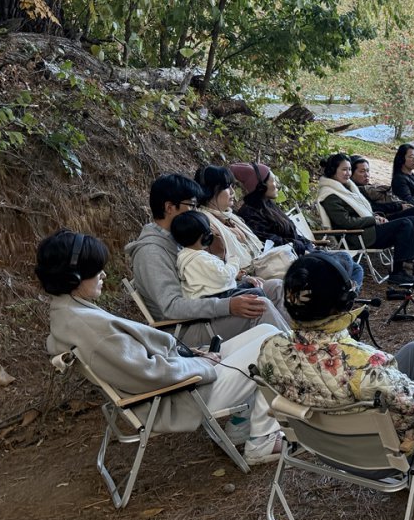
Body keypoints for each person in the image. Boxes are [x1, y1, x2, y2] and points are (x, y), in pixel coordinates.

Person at [38, 230, 283, 465]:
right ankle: (262, 440)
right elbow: (149, 374)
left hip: (181, 380)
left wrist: (193, 355)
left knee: (267, 332)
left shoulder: (70, 313)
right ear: (74, 277)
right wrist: (200, 363)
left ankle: (241, 426)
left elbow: (139, 363)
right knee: (270, 345)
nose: (102, 275)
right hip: (183, 395)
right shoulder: (89, 327)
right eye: (95, 270)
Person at [258, 254, 414, 481]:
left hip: (323, 447)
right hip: (381, 459)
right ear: (345, 302)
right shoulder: (366, 365)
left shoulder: (270, 347)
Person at [126, 174, 291, 346]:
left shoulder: (179, 238)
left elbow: (204, 276)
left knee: (275, 287)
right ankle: (297, 359)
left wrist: (239, 279)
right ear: (169, 207)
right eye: (191, 205)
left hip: (206, 313)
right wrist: (227, 306)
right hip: (184, 330)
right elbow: (171, 308)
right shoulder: (151, 252)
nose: (196, 211)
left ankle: (298, 346)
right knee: (259, 307)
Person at [229, 161, 364, 293]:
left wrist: (309, 246)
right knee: (345, 258)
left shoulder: (269, 206)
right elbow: (269, 243)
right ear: (261, 186)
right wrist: (302, 248)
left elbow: (292, 234)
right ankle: (339, 297)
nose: (277, 185)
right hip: (289, 262)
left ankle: (345, 296)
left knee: (356, 268)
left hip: (302, 253)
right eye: (273, 181)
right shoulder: (249, 213)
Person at [316, 153, 414, 286]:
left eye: (349, 169)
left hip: (366, 229)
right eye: (344, 169)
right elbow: (345, 222)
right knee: (405, 224)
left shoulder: (346, 187)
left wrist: (375, 216)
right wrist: (372, 220)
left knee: (413, 220)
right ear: (333, 170)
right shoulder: (330, 195)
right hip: (355, 236)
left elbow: (361, 210)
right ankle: (398, 273)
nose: (348, 173)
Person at [194, 165, 280, 278]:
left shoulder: (230, 216)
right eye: (226, 187)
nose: (232, 192)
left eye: (232, 186)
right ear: (211, 190)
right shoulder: (204, 222)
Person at [350, 155, 414, 259]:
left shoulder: (370, 187)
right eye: (362, 172)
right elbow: (373, 208)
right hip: (378, 222)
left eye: (367, 171)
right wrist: (398, 206)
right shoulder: (356, 191)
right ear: (352, 174)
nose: (366, 175)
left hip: (384, 216)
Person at [171, 209, 241, 299]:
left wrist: (235, 274)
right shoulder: (199, 259)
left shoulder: (186, 256)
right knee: (256, 292)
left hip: (211, 296)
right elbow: (224, 276)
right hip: (217, 297)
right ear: (203, 237)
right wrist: (233, 261)